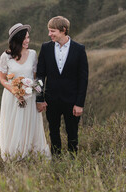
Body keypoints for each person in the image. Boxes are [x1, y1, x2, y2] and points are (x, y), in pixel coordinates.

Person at [0, 23, 51, 161]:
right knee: (13, 125)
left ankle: (32, 153)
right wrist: (15, 91)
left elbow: (36, 79)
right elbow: (2, 79)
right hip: (12, 98)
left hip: (30, 96)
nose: (28, 40)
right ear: (17, 39)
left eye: (28, 37)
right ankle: (14, 154)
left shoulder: (33, 54)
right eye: (25, 38)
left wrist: (40, 97)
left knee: (30, 123)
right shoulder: (6, 56)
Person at [36, 16, 88, 155]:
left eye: (52, 31)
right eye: (49, 31)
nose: (49, 34)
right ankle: (56, 160)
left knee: (72, 133)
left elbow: (83, 79)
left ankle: (72, 160)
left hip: (72, 101)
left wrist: (79, 103)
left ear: (63, 30)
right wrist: (40, 98)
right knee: (53, 132)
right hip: (51, 99)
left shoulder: (79, 49)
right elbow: (40, 75)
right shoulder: (45, 48)